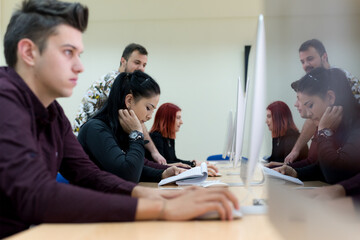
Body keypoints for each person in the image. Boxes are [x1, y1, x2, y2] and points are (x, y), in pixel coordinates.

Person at [0, 0, 238, 238]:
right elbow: (36, 194)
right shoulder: (4, 99)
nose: (80, 66)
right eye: (68, 52)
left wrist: (155, 194)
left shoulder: (53, 113)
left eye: (79, 54)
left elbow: (89, 174)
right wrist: (161, 208)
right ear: (29, 52)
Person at [78, 72, 182, 183]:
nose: (150, 116)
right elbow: (129, 175)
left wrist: (163, 174)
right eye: (148, 108)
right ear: (129, 101)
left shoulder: (120, 130)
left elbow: (138, 167)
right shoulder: (95, 129)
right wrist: (136, 133)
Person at [73, 43, 167, 165]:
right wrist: (154, 152)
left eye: (144, 65)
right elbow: (135, 119)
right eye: (137, 62)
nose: (141, 68)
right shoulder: (116, 82)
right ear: (123, 61)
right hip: (89, 140)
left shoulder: (123, 82)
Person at [275, 68, 360, 186]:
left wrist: (324, 131)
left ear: (330, 97)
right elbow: (323, 166)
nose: (308, 114)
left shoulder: (356, 124)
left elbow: (334, 173)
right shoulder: (337, 124)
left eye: (310, 105)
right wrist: (295, 172)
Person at [285, 39, 360, 164]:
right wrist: (295, 150)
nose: (305, 65)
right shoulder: (318, 81)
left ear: (324, 57)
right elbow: (313, 117)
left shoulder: (339, 79)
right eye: (302, 61)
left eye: (310, 59)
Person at [147, 103, 219, 176]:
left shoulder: (169, 138)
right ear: (167, 119)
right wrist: (193, 165)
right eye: (178, 118)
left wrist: (193, 163)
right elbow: (163, 164)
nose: (181, 122)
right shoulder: (156, 136)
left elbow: (174, 160)